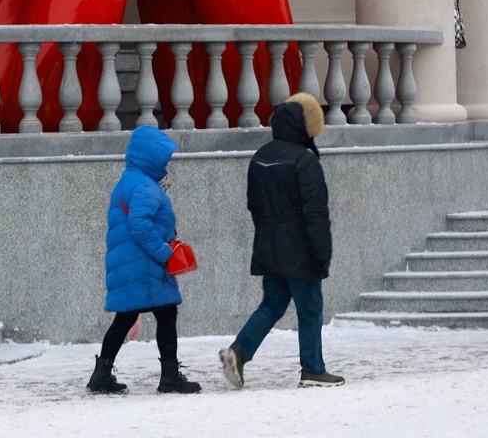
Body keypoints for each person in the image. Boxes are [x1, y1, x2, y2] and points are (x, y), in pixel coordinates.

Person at [219, 92, 344, 389]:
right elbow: (315, 213)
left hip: (269, 246)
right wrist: (322, 254)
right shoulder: (305, 161)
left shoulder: (261, 157)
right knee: (310, 309)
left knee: (273, 303)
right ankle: (313, 369)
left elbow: (254, 206)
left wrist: (268, 237)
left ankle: (239, 351)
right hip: (301, 249)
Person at [87, 125, 201, 395]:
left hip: (133, 266)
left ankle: (102, 373)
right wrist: (165, 253)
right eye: (163, 158)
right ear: (151, 157)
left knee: (126, 318)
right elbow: (139, 224)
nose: (167, 164)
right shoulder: (144, 186)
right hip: (146, 267)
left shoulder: (132, 180)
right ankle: (170, 377)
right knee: (166, 313)